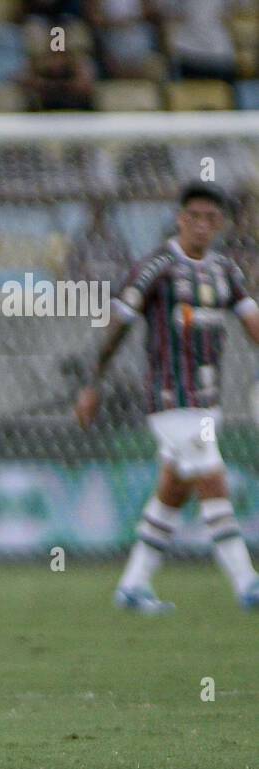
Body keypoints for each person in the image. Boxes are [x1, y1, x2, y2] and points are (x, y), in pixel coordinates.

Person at [76, 183, 259, 613]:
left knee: (174, 489)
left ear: (219, 224)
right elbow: (117, 326)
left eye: (210, 218)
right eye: (193, 216)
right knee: (212, 478)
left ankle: (133, 585)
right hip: (168, 397)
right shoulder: (155, 267)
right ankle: (247, 582)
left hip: (206, 400)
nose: (201, 225)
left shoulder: (226, 272)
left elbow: (252, 322)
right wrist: (92, 384)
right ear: (179, 219)